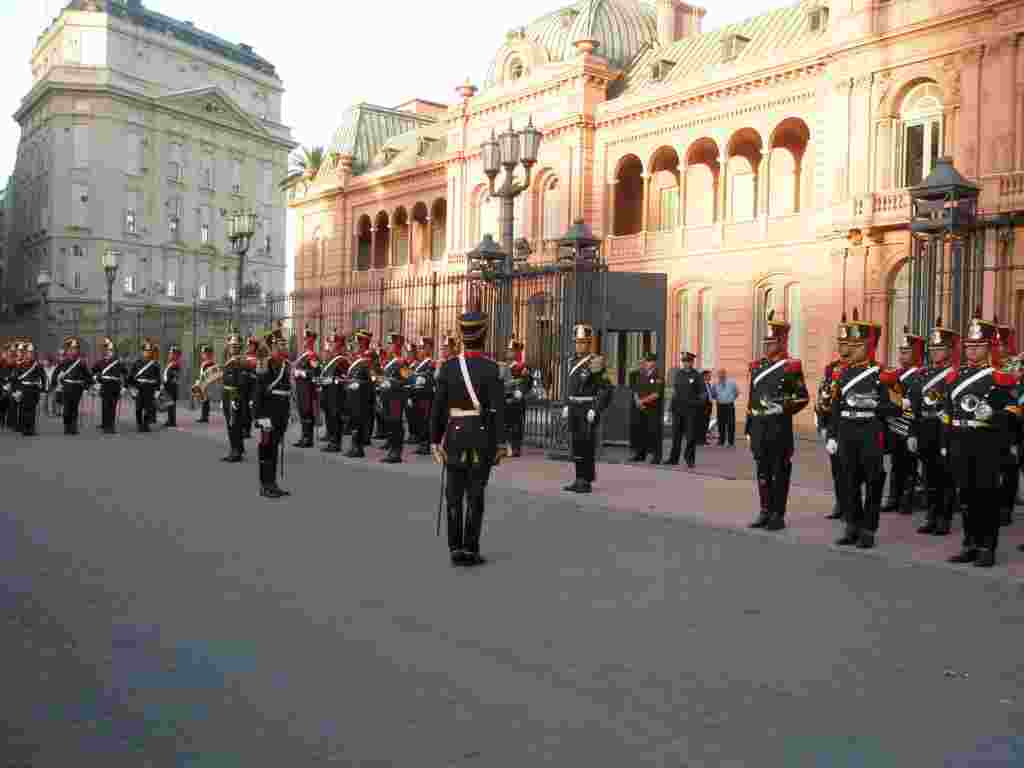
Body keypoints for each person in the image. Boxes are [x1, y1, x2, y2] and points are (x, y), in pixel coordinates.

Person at [430, 307, 511, 566]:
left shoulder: (448, 368)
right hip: (481, 437)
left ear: (462, 336)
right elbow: (499, 410)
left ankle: (454, 547)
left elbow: (438, 409)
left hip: (453, 437)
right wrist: (501, 443)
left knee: (453, 493)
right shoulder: (491, 369)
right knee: (476, 494)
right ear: (484, 334)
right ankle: (470, 548)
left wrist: (434, 440)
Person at [942, 311, 1020, 567]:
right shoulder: (955, 377)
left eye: (978, 346)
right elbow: (947, 413)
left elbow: (1014, 411)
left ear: (988, 348)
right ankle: (970, 543)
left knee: (986, 497)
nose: (972, 351)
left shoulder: (999, 378)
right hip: (960, 441)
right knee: (965, 496)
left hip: (986, 443)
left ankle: (987, 547)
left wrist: (994, 415)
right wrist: (946, 442)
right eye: (969, 346)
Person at [825, 310, 895, 549]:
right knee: (848, 481)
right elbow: (835, 407)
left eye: (855, 345)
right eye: (848, 345)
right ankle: (852, 525)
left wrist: (874, 404)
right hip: (846, 431)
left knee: (874, 481)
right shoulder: (841, 374)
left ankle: (868, 528)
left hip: (870, 431)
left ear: (868, 345)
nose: (847, 350)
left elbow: (898, 407)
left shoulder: (882, 374)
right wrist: (832, 433)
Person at [746, 311, 810, 530]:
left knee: (779, 471)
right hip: (759, 427)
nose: (767, 346)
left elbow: (802, 397)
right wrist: (749, 427)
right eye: (765, 341)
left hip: (779, 428)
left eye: (771, 341)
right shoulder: (756, 366)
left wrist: (781, 407)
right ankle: (764, 510)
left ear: (782, 342)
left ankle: (778, 514)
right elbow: (752, 398)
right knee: (762, 471)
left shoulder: (791, 367)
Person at [914, 318, 958, 535]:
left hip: (944, 429)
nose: (935, 352)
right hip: (925, 428)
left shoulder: (955, 375)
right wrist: (913, 432)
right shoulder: (923, 374)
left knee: (945, 476)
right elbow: (915, 406)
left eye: (940, 348)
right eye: (932, 347)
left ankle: (944, 518)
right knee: (929, 475)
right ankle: (931, 515)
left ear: (950, 349)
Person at [563, 324, 614, 493]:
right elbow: (570, 386)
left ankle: (586, 480)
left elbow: (606, 388)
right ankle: (578, 478)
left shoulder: (595, 362)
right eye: (577, 342)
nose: (579, 345)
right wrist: (566, 404)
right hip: (574, 408)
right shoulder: (572, 360)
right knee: (576, 445)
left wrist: (596, 408)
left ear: (589, 343)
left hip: (587, 409)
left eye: (583, 342)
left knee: (586, 445)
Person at [882, 327, 925, 514]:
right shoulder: (896, 373)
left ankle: (907, 500)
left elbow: (915, 404)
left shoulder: (920, 375)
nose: (902, 355)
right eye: (901, 351)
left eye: (906, 352)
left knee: (909, 465)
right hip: (894, 425)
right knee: (896, 464)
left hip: (909, 426)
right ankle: (893, 497)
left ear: (916, 354)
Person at [253, 326, 292, 499]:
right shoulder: (264, 365)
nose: (283, 349)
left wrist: (289, 413)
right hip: (267, 416)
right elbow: (258, 393)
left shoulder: (286, 365)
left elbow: (287, 391)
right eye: (279, 346)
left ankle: (273, 483)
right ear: (273, 347)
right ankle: (264, 485)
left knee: (274, 449)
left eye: (284, 345)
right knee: (266, 449)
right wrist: (259, 417)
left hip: (281, 415)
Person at [817, 341, 850, 520]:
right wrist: (822, 424)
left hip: (849, 425)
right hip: (833, 426)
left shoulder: (855, 368)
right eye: (840, 343)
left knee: (850, 470)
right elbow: (823, 398)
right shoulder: (831, 369)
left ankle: (850, 507)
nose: (842, 347)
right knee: (837, 470)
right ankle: (840, 503)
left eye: (845, 344)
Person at [996, 324, 1021, 527]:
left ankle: (1005, 507)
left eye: (1002, 345)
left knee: (1010, 468)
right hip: (994, 424)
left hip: (1015, 424)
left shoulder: (1017, 365)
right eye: (996, 344)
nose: (999, 348)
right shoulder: (989, 366)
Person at [665, 351, 706, 468]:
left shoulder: (697, 375)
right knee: (676, 435)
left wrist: (696, 404)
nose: (685, 363)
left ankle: (689, 458)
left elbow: (703, 394)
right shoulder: (679, 374)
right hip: (678, 410)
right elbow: (674, 392)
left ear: (692, 362)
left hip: (691, 411)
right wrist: (669, 410)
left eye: (687, 361)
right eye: (684, 361)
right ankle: (673, 458)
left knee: (691, 436)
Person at [377, 332, 410, 463]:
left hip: (396, 398)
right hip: (387, 396)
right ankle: (391, 448)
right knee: (389, 423)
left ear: (398, 346)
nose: (389, 346)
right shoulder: (388, 362)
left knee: (395, 423)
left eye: (391, 344)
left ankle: (396, 451)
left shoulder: (402, 362)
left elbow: (407, 380)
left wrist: (391, 383)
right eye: (389, 344)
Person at [344, 329, 375, 458]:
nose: (357, 344)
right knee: (354, 419)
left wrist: (360, 384)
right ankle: (355, 446)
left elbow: (373, 377)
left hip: (362, 395)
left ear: (364, 342)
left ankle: (358, 447)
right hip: (354, 394)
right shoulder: (359, 356)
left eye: (359, 341)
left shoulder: (369, 356)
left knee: (359, 420)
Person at [629, 353, 664, 463]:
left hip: (653, 409)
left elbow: (656, 394)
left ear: (654, 362)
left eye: (648, 361)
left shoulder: (658, 376)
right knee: (640, 431)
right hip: (641, 408)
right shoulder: (641, 374)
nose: (646, 363)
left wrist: (642, 401)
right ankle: (640, 454)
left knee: (654, 432)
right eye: (645, 361)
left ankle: (656, 456)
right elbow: (635, 390)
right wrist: (637, 401)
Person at [54, 336, 93, 435]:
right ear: (68, 350)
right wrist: (56, 384)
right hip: (67, 386)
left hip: (77, 388)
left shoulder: (81, 363)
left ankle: (73, 427)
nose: (73, 351)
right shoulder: (64, 362)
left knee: (74, 408)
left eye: (75, 349)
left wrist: (88, 387)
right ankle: (67, 426)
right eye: (71, 349)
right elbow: (55, 373)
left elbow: (87, 376)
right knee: (67, 407)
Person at [318, 329, 349, 453]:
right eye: (331, 343)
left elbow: (344, 378)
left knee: (335, 417)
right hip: (328, 393)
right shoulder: (331, 359)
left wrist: (331, 380)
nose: (331, 346)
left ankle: (336, 442)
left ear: (339, 345)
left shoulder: (342, 360)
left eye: (333, 343)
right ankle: (331, 440)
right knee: (330, 417)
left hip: (337, 394)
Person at [503, 336, 532, 457]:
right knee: (505, 424)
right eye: (509, 350)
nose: (509, 352)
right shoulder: (505, 367)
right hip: (506, 398)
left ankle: (516, 448)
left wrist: (521, 391)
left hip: (517, 400)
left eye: (512, 350)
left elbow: (527, 381)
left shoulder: (521, 367)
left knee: (517, 425)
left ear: (516, 352)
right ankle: (506, 446)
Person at [407, 336, 437, 456]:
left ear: (429, 349)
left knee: (425, 419)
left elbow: (428, 377)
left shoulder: (431, 362)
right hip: (417, 394)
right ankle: (421, 442)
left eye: (423, 348)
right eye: (420, 348)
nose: (420, 350)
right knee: (419, 418)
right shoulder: (420, 363)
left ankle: (425, 444)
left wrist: (416, 377)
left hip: (426, 395)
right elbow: (410, 376)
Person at [221, 332, 247, 462]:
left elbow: (241, 382)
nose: (233, 347)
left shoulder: (240, 361)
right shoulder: (228, 359)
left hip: (234, 395)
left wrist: (235, 398)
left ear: (239, 347)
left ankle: (235, 451)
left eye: (235, 346)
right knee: (232, 423)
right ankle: (239, 448)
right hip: (227, 394)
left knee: (233, 424)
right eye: (231, 345)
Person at [292, 325, 319, 448]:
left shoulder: (312, 355)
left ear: (311, 341)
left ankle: (308, 439)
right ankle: (304, 436)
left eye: (306, 339)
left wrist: (302, 373)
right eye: (304, 339)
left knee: (307, 412)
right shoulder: (303, 355)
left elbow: (315, 372)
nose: (304, 341)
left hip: (307, 389)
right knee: (303, 412)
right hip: (301, 388)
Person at [13, 341, 47, 436]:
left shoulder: (38, 365)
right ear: (25, 353)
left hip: (34, 389)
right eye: (28, 352)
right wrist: (16, 391)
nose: (30, 354)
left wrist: (44, 389)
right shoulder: (20, 364)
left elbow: (43, 377)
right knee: (24, 410)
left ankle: (31, 429)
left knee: (32, 410)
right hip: (23, 389)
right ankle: (24, 428)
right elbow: (15, 379)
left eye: (32, 352)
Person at [127, 339, 161, 433]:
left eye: (149, 351)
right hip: (139, 387)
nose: (147, 353)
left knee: (148, 408)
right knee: (138, 408)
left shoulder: (155, 364)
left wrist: (157, 390)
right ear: (141, 352)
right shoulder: (136, 363)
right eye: (145, 351)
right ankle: (139, 424)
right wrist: (131, 388)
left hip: (150, 388)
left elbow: (158, 378)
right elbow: (130, 377)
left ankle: (145, 424)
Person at [92, 337, 124, 434]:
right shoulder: (100, 362)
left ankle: (111, 426)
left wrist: (124, 387)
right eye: (107, 350)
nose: (108, 352)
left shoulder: (118, 362)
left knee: (112, 406)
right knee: (105, 406)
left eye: (110, 351)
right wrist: (96, 381)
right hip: (105, 386)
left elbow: (125, 373)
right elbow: (93, 372)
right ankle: (105, 424)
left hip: (115, 386)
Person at [713, 368, 738, 446]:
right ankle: (721, 441)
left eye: (722, 373)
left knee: (731, 424)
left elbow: (737, 392)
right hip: (720, 406)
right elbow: (713, 394)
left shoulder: (732, 382)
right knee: (721, 424)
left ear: (725, 374)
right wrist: (718, 398)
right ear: (718, 375)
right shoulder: (715, 384)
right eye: (719, 374)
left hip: (729, 405)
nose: (721, 375)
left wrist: (731, 398)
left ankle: (731, 442)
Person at [194, 344, 216, 424]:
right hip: (204, 383)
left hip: (206, 384)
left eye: (203, 353)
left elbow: (209, 375)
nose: (202, 354)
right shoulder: (206, 362)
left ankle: (205, 417)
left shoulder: (209, 363)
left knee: (205, 400)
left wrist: (202, 383)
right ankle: (204, 416)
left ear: (208, 354)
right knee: (204, 400)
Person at [162, 344, 181, 428]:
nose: (169, 355)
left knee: (171, 404)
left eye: (171, 353)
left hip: (172, 386)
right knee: (169, 403)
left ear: (175, 355)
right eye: (170, 353)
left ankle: (172, 421)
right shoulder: (171, 363)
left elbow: (173, 376)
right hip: (168, 385)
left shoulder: (176, 364)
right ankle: (170, 420)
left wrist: (167, 383)